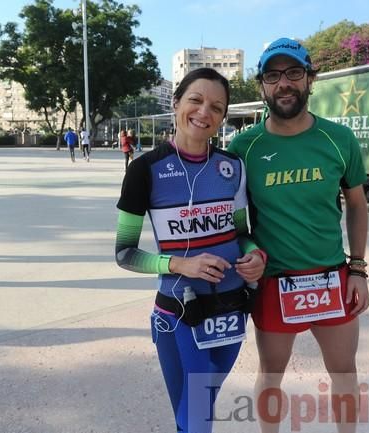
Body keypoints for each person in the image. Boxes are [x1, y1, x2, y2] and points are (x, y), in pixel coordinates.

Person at [228, 37, 369, 433]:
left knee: (344, 371)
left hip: (331, 278)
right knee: (271, 373)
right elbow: (236, 222)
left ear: (310, 79)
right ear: (262, 86)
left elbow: (357, 205)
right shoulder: (244, 147)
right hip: (275, 281)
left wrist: (357, 269)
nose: (283, 83)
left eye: (293, 73)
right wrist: (250, 252)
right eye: (273, 76)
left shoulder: (338, 140)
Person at [114, 67, 266, 433]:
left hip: (233, 308)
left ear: (223, 117)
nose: (204, 112)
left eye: (216, 107)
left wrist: (256, 255)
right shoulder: (144, 170)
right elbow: (125, 253)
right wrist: (181, 264)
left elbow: (243, 232)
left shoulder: (233, 167)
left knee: (199, 407)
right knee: (198, 416)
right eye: (195, 100)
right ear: (176, 102)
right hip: (180, 310)